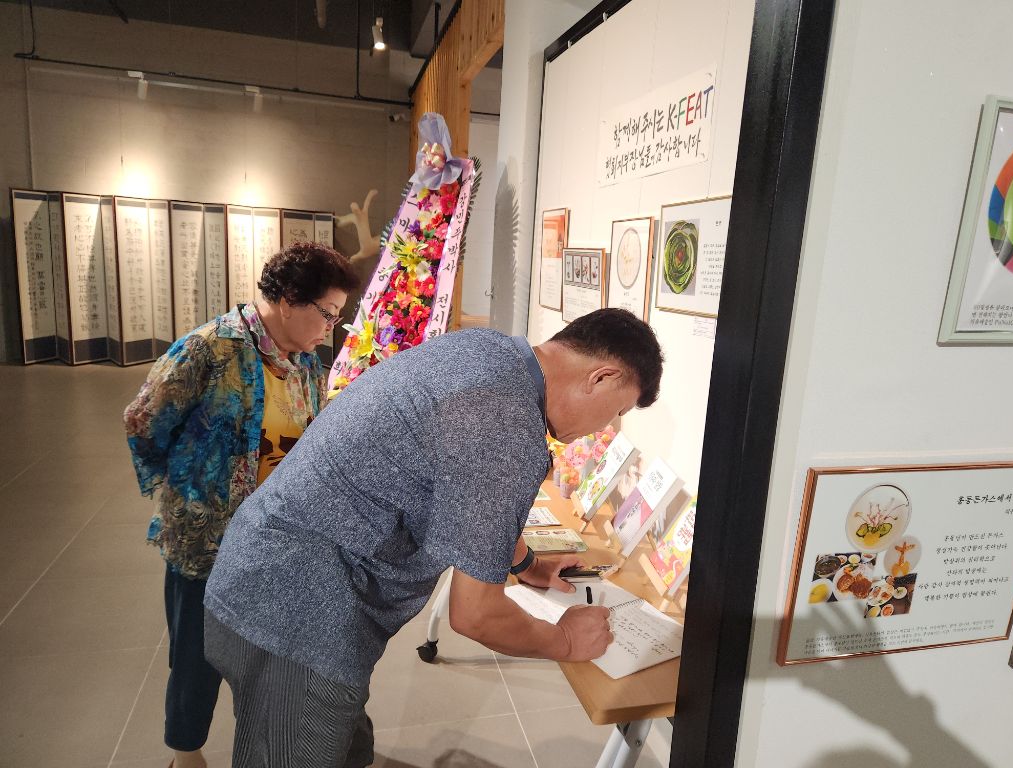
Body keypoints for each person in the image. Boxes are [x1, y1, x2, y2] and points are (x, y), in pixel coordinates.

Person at [202, 307, 664, 767]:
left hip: (265, 569)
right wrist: (564, 640)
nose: (607, 428)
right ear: (601, 377)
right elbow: (475, 615)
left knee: (346, 751)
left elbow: (469, 496)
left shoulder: (489, 352)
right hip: (293, 615)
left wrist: (526, 565)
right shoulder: (509, 425)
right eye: (617, 411)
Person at [124, 241, 361, 768]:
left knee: (278, 656)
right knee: (196, 656)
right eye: (327, 314)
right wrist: (192, 486)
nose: (330, 328)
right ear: (290, 300)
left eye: (336, 317)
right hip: (209, 542)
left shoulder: (305, 363)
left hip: (277, 541)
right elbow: (143, 420)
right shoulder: (210, 349)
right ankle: (186, 754)